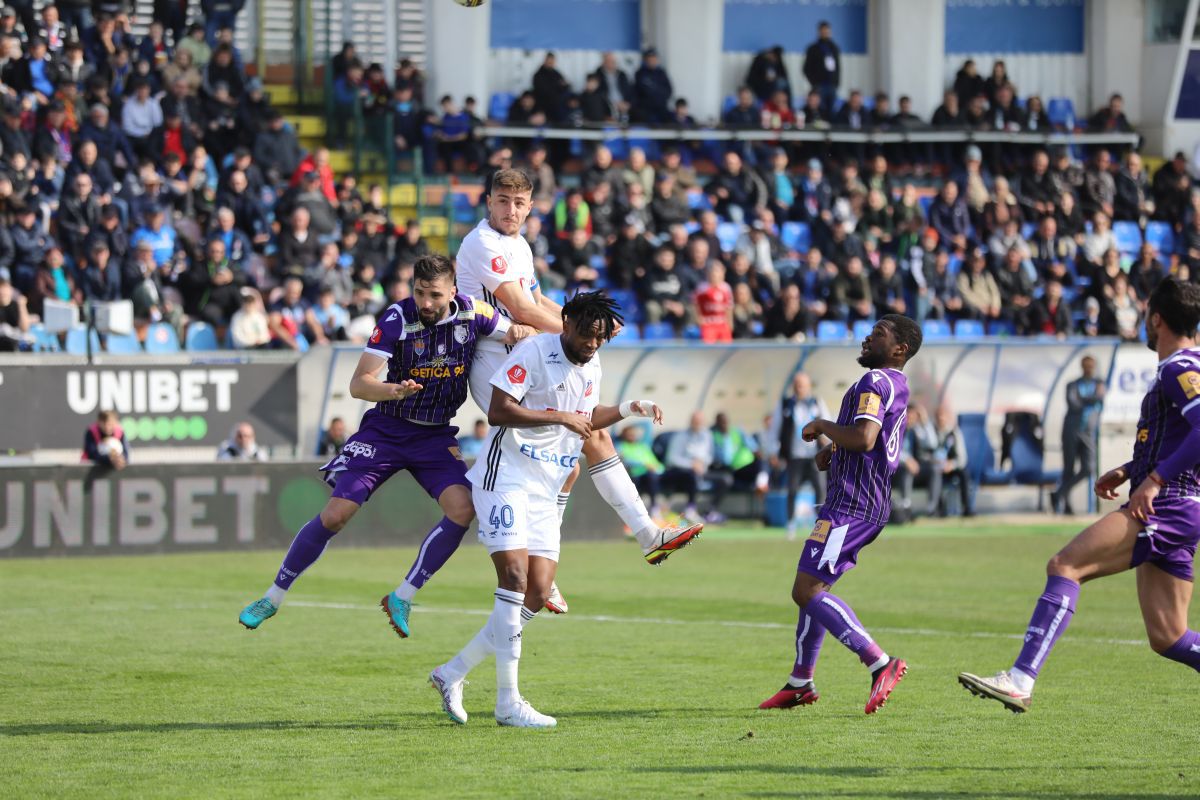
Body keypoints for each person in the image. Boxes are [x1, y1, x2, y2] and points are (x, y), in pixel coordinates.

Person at [238, 255, 533, 634]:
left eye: (435, 295)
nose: (426, 302)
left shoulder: (473, 313)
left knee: (463, 509)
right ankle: (272, 597)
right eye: (420, 292)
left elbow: (514, 333)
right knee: (336, 515)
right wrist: (393, 390)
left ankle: (403, 596)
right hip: (387, 430)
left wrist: (531, 334)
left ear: (453, 292)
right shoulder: (398, 318)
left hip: (434, 435)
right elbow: (359, 384)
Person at [454, 169, 702, 613]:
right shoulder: (482, 243)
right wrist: (588, 329)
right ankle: (635, 539)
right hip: (495, 362)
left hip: (527, 355)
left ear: (531, 207)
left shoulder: (520, 245)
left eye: (519, 202)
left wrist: (585, 319)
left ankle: (629, 542)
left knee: (579, 448)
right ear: (488, 202)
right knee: (579, 440)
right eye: (502, 200)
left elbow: (545, 303)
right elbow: (521, 307)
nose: (510, 209)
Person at [960, 278, 1200, 712]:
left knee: (1066, 565)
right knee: (1169, 637)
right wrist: (1132, 470)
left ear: (1157, 318)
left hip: (1168, 504)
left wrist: (1155, 481)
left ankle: (1020, 678)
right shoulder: (1188, 367)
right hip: (1180, 506)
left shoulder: (1178, 368)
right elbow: (1181, 436)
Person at [428, 292, 666, 728]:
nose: (593, 344)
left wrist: (632, 408)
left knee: (537, 592)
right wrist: (558, 417)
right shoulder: (535, 350)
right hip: (507, 476)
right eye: (586, 334)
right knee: (515, 578)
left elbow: (586, 417)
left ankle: (452, 672)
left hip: (547, 481)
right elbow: (500, 411)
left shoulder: (591, 362)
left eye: (600, 338)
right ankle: (507, 702)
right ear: (566, 321)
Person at [759, 315, 923, 715]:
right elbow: (875, 435)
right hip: (853, 500)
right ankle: (800, 681)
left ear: (900, 349)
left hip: (854, 504)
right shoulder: (892, 385)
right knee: (814, 588)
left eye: (880, 334)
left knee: (807, 591)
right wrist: (834, 451)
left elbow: (865, 438)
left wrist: (823, 426)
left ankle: (880, 663)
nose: (868, 336)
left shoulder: (875, 382)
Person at [766, 372, 830, 539]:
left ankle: (820, 526)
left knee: (820, 489)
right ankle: (791, 524)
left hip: (815, 456)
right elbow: (775, 429)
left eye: (801, 384)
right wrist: (773, 451)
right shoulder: (785, 404)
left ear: (808, 386)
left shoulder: (817, 402)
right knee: (792, 490)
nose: (798, 388)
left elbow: (828, 423)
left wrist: (827, 442)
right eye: (796, 384)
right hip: (795, 456)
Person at [1051, 356, 1106, 516]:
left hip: (1088, 432)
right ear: (1082, 367)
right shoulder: (1073, 384)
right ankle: (1066, 503)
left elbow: (1099, 397)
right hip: (1071, 430)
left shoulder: (1099, 383)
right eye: (1086, 366)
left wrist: (1086, 399)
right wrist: (1091, 398)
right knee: (1068, 468)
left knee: (1088, 468)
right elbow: (1073, 403)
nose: (1089, 369)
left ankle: (1059, 492)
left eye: (1091, 366)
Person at [616, 424, 665, 517]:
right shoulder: (620, 447)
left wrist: (658, 469)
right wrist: (643, 464)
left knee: (652, 476)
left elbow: (656, 464)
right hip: (633, 475)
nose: (632, 436)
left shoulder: (643, 447)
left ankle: (654, 507)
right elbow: (625, 461)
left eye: (634, 434)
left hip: (648, 475)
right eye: (629, 434)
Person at [803, 21, 840, 115]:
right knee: (819, 110)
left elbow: (838, 67)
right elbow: (806, 68)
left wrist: (836, 82)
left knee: (831, 111)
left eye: (827, 31)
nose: (825, 33)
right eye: (823, 31)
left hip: (832, 85)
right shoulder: (813, 48)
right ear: (819, 32)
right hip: (819, 86)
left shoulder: (834, 48)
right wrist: (814, 82)